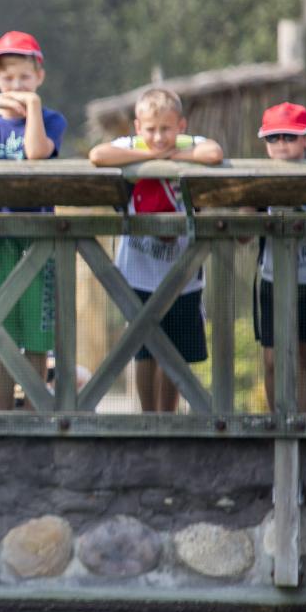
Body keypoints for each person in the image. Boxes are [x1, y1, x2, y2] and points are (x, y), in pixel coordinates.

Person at [88, 88, 224, 412]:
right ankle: (147, 416)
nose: (158, 136)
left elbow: (213, 153)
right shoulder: (132, 146)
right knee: (144, 351)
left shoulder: (187, 143)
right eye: (150, 130)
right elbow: (98, 156)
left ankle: (168, 418)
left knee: (173, 353)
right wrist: (150, 158)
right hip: (138, 272)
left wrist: (171, 158)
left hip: (181, 274)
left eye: (166, 129)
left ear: (181, 125)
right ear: (138, 127)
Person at [0, 31, 68, 410]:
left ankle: (36, 410)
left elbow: (38, 153)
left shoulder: (51, 120)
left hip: (37, 237)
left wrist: (33, 108)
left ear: (39, 77)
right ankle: (4, 411)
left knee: (37, 334)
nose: (16, 86)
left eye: (24, 78)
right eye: (8, 79)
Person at [250, 102, 306, 412]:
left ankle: (303, 419)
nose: (281, 145)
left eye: (289, 137)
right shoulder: (258, 179)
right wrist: (247, 201)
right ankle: (278, 418)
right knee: (273, 358)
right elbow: (241, 235)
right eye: (273, 138)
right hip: (272, 278)